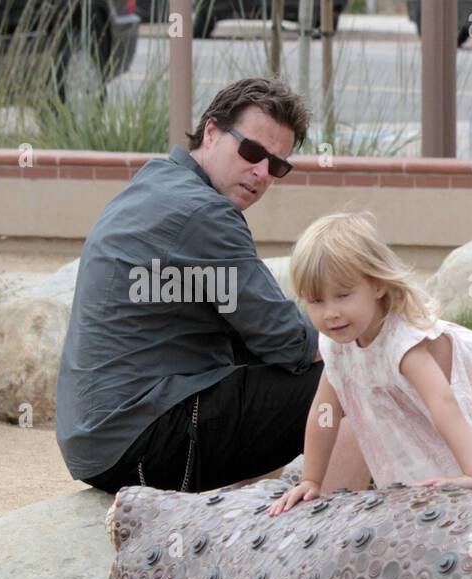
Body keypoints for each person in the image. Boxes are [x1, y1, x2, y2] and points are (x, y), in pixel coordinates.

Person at [56, 77, 369, 495]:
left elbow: (256, 334)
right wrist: (372, 343)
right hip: (144, 441)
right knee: (356, 376)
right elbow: (286, 340)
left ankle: (242, 521)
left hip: (98, 440)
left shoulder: (157, 180)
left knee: (265, 374)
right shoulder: (204, 213)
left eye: (277, 165)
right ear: (211, 132)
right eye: (252, 151)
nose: (261, 172)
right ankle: (324, 535)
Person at [268, 213, 472, 552]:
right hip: (429, 419)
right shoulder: (337, 345)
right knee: (437, 496)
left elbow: (442, 400)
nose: (331, 313)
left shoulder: (402, 342)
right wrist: (311, 479)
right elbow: (324, 410)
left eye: (343, 295)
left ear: (378, 285)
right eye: (316, 301)